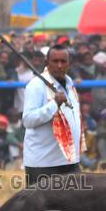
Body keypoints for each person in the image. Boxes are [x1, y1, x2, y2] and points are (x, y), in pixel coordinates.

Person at [20, 45, 82, 185]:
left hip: (69, 159)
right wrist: (54, 104)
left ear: (69, 63)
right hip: (43, 164)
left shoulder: (69, 83)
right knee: (43, 207)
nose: (59, 65)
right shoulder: (36, 86)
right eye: (55, 61)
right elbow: (28, 120)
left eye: (63, 61)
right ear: (46, 63)